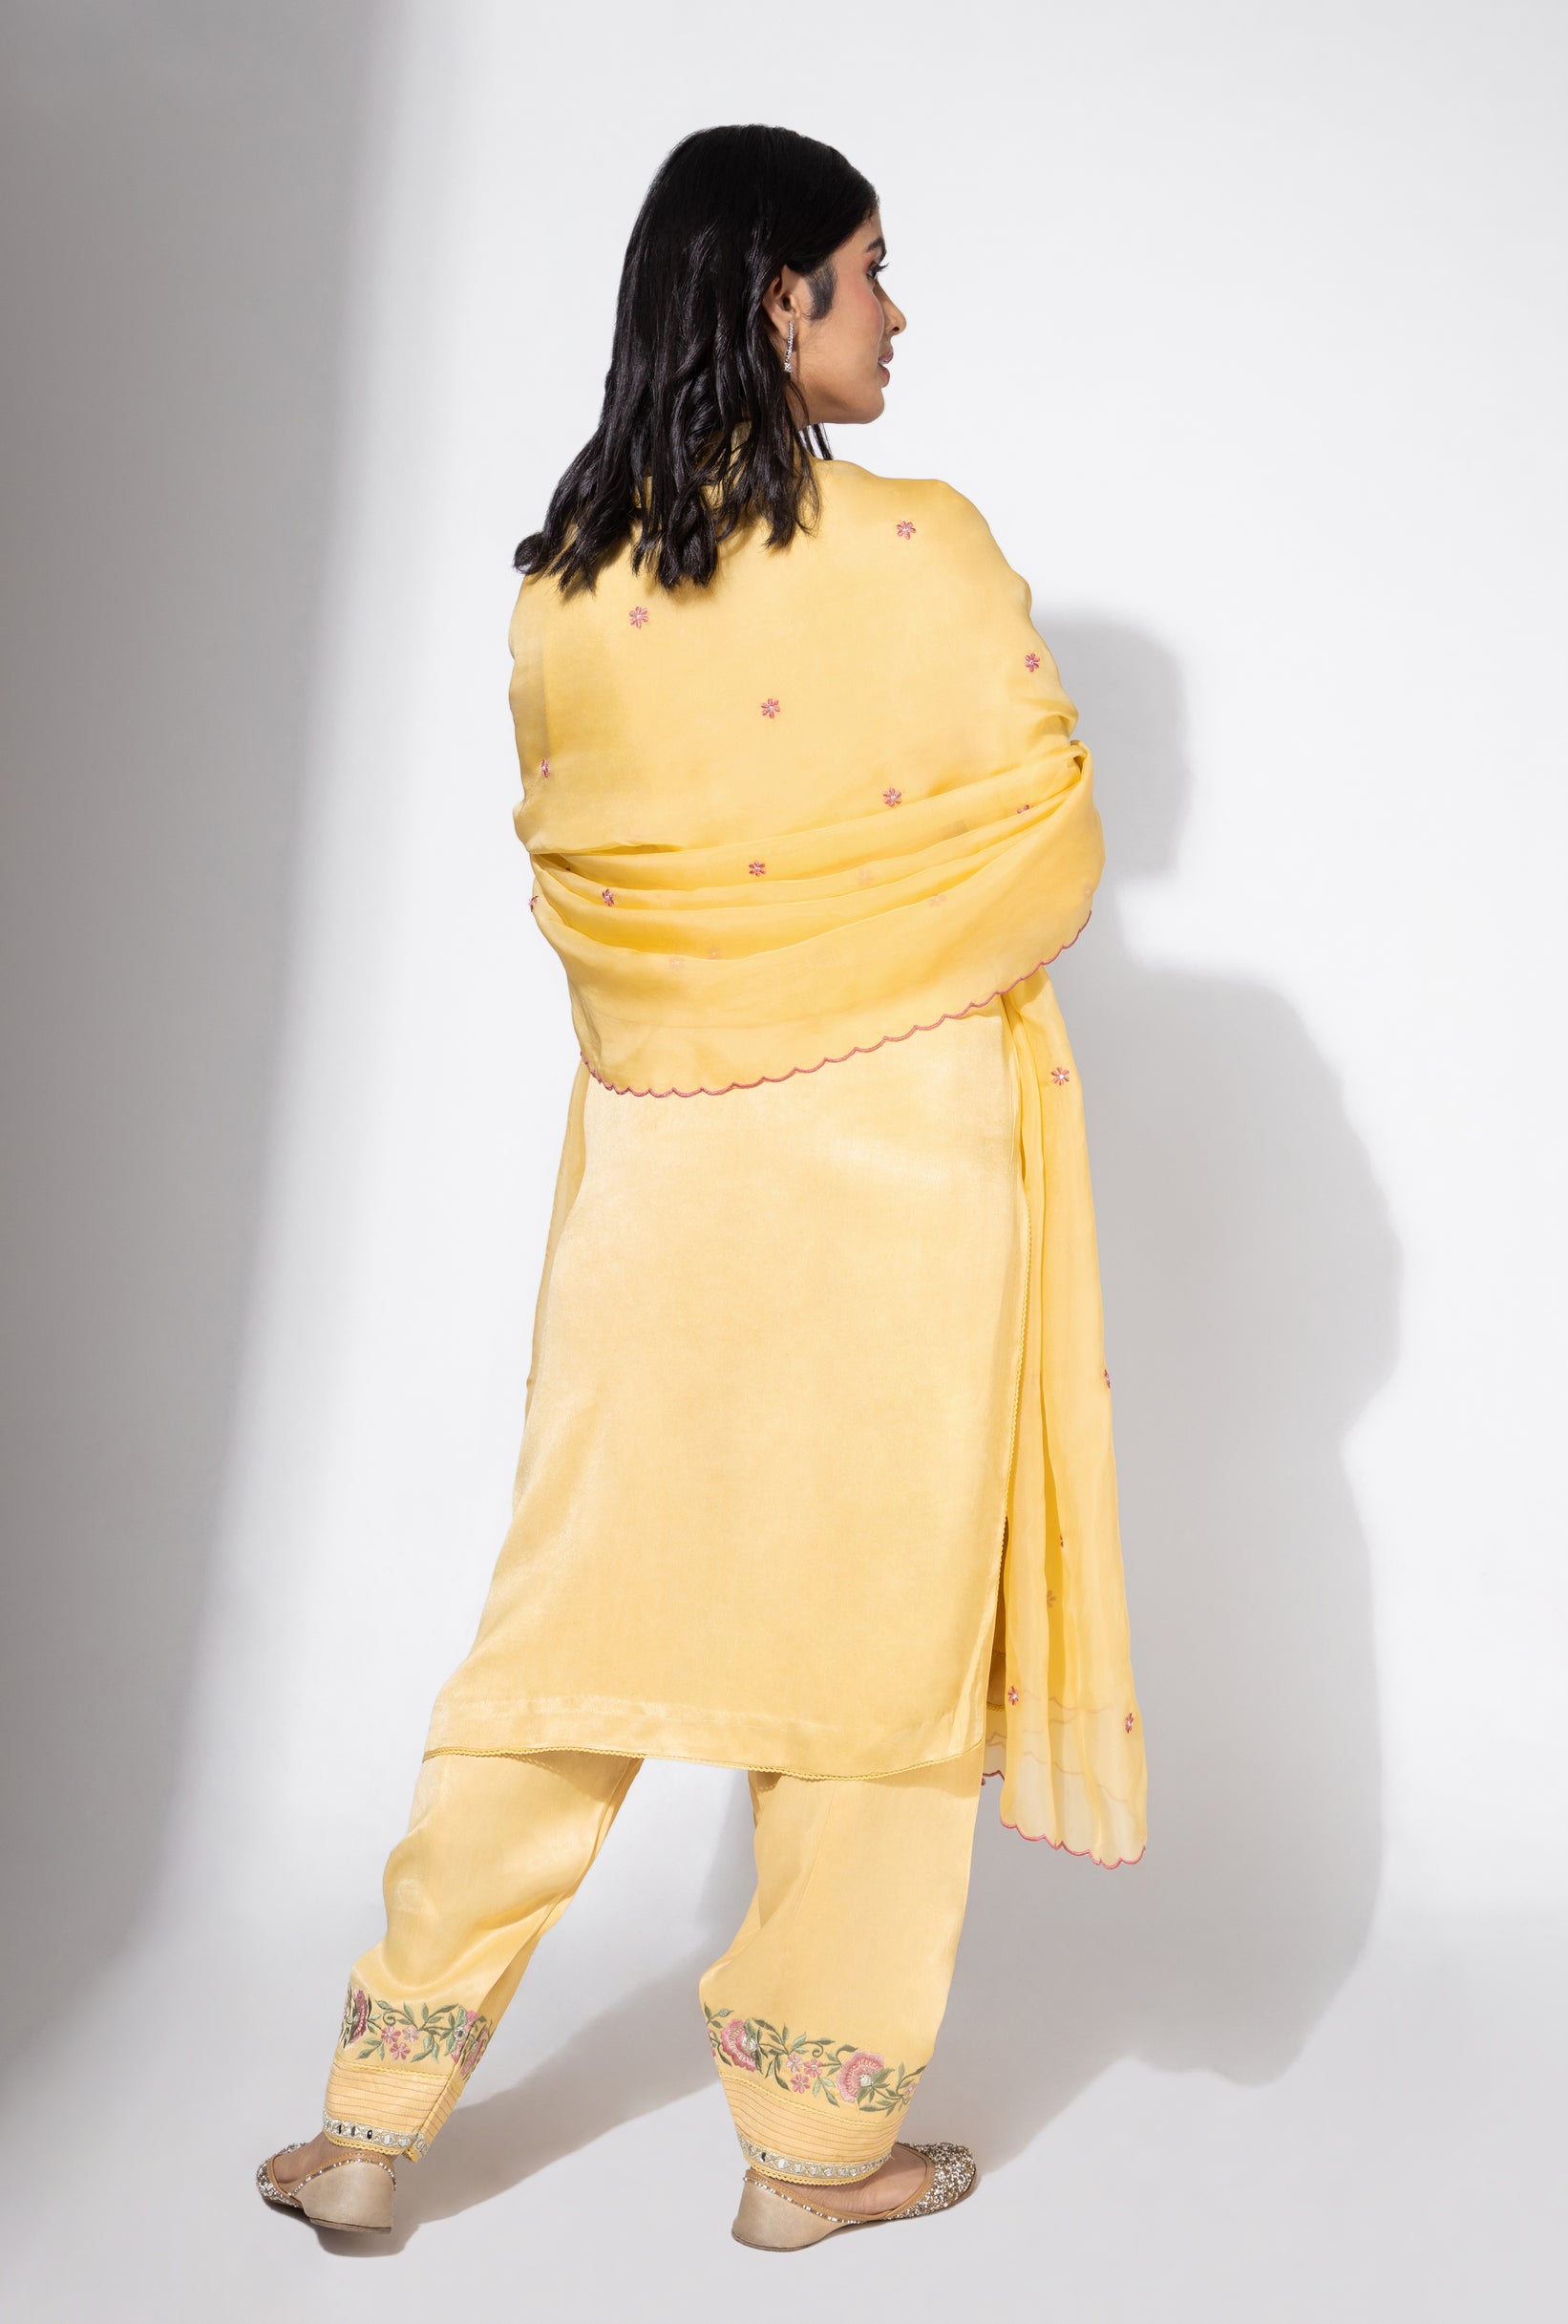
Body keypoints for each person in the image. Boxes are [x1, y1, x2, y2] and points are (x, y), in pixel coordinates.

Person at [258, 121, 1146, 2252]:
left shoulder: (563, 596)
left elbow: (595, 911)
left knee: (567, 1644)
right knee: (875, 1670)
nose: (896, 313)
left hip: (662, 1199)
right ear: (775, 296)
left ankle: (374, 2119)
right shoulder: (925, 546)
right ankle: (810, 2161)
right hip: (909, 1191)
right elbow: (1047, 856)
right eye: (869, 270)